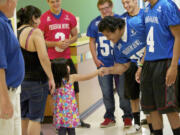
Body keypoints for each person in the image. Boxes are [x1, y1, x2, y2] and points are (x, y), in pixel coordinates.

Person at [39, 0, 90, 128]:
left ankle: (76, 118)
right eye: (52, 2)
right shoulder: (44, 18)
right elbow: (41, 41)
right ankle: (57, 121)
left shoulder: (69, 16)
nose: (55, 4)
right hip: (52, 60)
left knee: (75, 88)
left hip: (66, 58)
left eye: (57, 1)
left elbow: (75, 36)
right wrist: (55, 44)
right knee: (53, 90)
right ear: (48, 2)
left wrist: (68, 41)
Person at [87, 0, 132, 128]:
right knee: (106, 92)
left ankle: (128, 116)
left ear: (111, 7)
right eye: (101, 9)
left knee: (123, 92)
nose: (104, 11)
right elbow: (92, 41)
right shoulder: (94, 23)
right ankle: (109, 116)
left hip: (120, 62)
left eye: (106, 8)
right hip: (104, 63)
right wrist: (95, 59)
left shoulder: (120, 19)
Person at [139, 0, 180, 135]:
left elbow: (178, 36)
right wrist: (141, 66)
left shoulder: (167, 5)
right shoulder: (145, 9)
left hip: (165, 62)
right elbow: (148, 41)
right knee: (152, 108)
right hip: (149, 64)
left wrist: (173, 66)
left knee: (169, 109)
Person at [17, 5, 55, 135]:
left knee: (23, 117)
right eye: (38, 18)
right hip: (37, 82)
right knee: (35, 119)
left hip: (20, 83)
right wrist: (51, 77)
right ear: (33, 18)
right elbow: (44, 58)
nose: (39, 22)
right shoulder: (35, 32)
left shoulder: (15, 31)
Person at [51, 58, 99, 135]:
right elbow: (87, 76)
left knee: (61, 131)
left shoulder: (54, 82)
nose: (69, 67)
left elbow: (52, 100)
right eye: (67, 66)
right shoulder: (71, 78)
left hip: (59, 114)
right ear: (62, 69)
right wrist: (97, 72)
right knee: (71, 131)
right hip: (70, 112)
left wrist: (53, 113)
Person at [0, 0, 25, 135]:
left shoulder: (5, 22)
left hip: (12, 91)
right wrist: (4, 100)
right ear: (9, 2)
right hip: (5, 92)